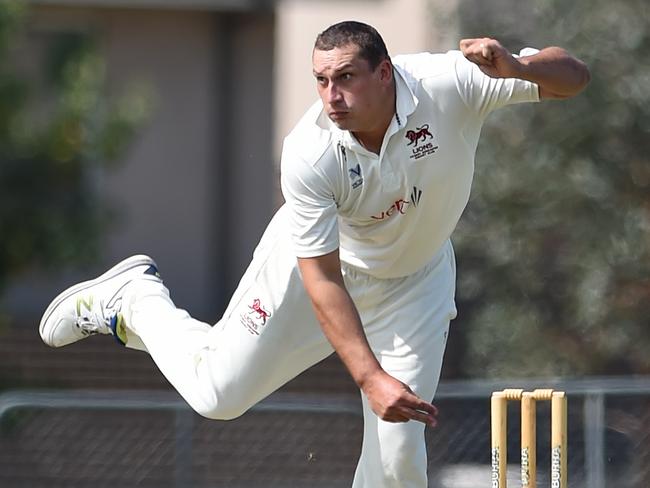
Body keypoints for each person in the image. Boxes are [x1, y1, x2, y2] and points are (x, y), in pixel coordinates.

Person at [39, 21, 589, 488]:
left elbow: (574, 78)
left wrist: (519, 70)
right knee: (217, 394)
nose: (331, 97)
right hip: (322, 274)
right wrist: (370, 376)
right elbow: (322, 279)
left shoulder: (452, 82)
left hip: (414, 283)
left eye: (345, 78)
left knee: (399, 459)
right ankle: (134, 299)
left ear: (384, 72)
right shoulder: (309, 151)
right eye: (321, 81)